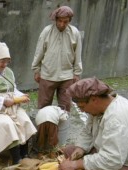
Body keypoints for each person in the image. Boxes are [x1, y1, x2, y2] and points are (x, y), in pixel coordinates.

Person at [31, 5, 82, 144]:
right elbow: (39, 51)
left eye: (65, 21)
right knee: (43, 108)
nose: (62, 24)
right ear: (55, 19)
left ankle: (60, 142)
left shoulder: (75, 33)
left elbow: (78, 54)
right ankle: (42, 140)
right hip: (47, 75)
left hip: (67, 76)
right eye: (59, 21)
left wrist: (76, 73)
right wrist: (36, 69)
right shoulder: (47, 32)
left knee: (65, 110)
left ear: (69, 21)